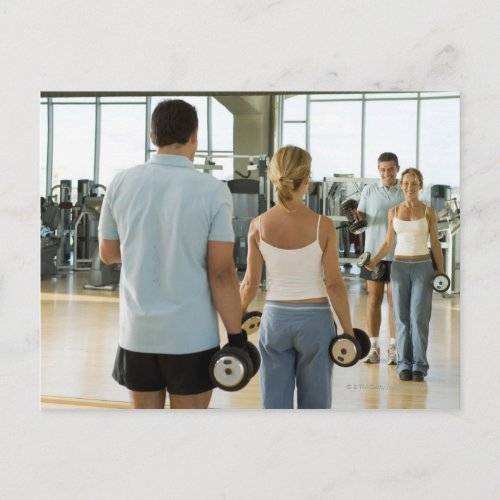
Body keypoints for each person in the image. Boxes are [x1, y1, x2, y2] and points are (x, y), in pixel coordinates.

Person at [98, 99, 243, 409]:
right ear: (195, 136)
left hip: (137, 336)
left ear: (153, 136)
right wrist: (236, 336)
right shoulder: (212, 190)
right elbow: (220, 273)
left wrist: (149, 250)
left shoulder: (120, 182)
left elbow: (108, 253)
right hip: (190, 339)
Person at [240, 145, 355, 409]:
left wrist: (235, 331)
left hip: (275, 322)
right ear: (307, 181)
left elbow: (249, 285)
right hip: (315, 324)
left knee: (274, 405)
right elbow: (335, 284)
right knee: (315, 407)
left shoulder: (257, 225)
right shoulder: (323, 225)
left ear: (273, 178)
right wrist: (349, 333)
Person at [366, 168, 444, 381]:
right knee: (401, 317)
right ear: (402, 186)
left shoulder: (428, 212)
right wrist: (373, 261)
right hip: (399, 267)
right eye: (407, 183)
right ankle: (404, 363)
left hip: (423, 267)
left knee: (419, 318)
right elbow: (388, 242)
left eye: (415, 183)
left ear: (421, 186)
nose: (410, 187)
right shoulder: (393, 211)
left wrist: (442, 273)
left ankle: (419, 365)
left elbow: (435, 243)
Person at [357, 152, 404, 365]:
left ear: (397, 169)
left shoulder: (405, 190)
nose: (386, 173)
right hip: (372, 254)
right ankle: (373, 348)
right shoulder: (369, 190)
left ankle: (394, 348)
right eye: (383, 169)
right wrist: (354, 215)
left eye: (390, 169)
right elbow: (361, 218)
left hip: (398, 254)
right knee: (374, 300)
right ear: (379, 170)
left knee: (395, 302)